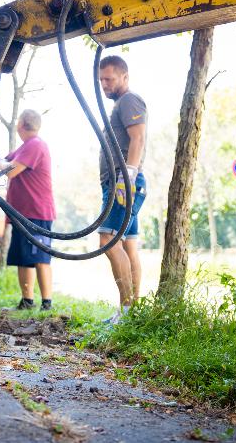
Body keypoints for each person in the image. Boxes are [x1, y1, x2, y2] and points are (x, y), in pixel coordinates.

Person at [0, 109, 56, 311]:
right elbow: (4, 160)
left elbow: (9, 169)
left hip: (37, 212)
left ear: (21, 124)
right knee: (24, 257)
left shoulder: (36, 145)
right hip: (23, 213)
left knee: (40, 257)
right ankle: (27, 301)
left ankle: (47, 303)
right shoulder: (26, 147)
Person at [97, 56, 148, 323]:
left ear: (124, 77)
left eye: (109, 79)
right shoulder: (119, 104)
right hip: (123, 182)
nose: (104, 85)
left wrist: (126, 176)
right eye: (101, 80)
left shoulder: (129, 100)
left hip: (124, 183)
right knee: (128, 246)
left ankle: (127, 313)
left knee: (107, 241)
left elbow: (138, 137)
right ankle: (133, 313)